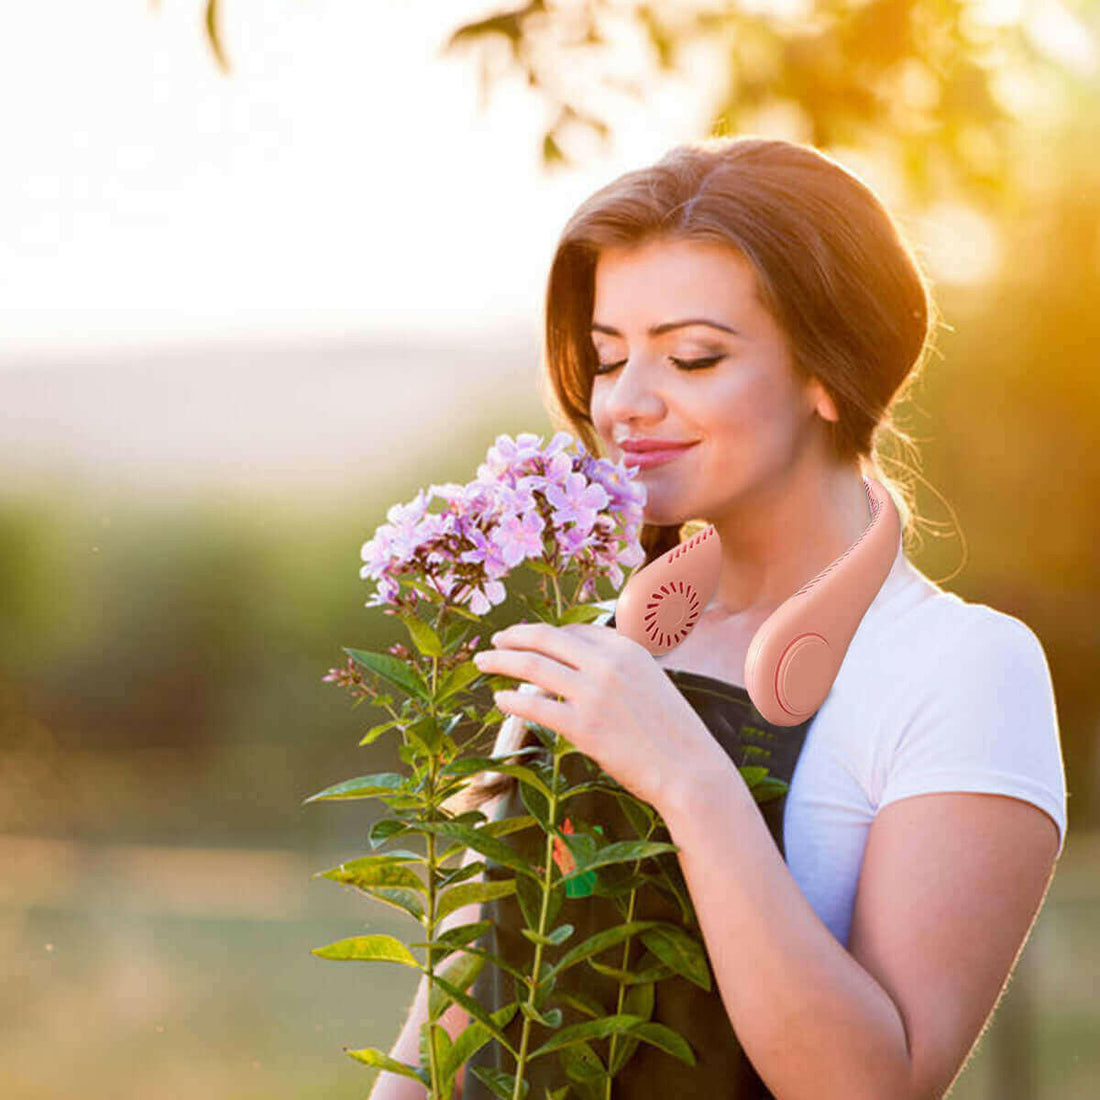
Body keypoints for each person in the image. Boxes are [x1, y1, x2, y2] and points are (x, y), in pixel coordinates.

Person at [368, 136, 1067, 1099]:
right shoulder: (603, 643)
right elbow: (447, 1028)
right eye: (608, 358)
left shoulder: (960, 669)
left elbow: (874, 1087)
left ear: (831, 373)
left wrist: (686, 776)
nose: (625, 404)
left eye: (693, 357)